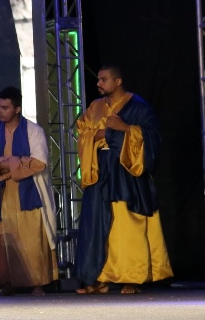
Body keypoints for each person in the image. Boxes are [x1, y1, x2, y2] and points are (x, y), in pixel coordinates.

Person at [74, 66, 172, 295]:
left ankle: (131, 278)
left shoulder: (138, 106)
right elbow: (84, 133)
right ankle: (97, 279)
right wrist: (104, 134)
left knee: (126, 225)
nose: (98, 83)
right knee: (96, 224)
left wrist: (124, 128)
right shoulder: (95, 107)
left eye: (104, 79)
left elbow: (152, 136)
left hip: (127, 170)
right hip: (99, 170)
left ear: (118, 81)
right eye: (98, 79)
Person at [0, 86, 57, 296]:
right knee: (8, 238)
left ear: (17, 109)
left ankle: (38, 283)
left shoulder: (33, 131)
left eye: (5, 108)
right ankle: (9, 282)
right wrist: (10, 163)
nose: (0, 111)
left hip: (30, 191)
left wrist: (10, 164)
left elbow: (39, 161)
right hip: (5, 192)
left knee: (32, 238)